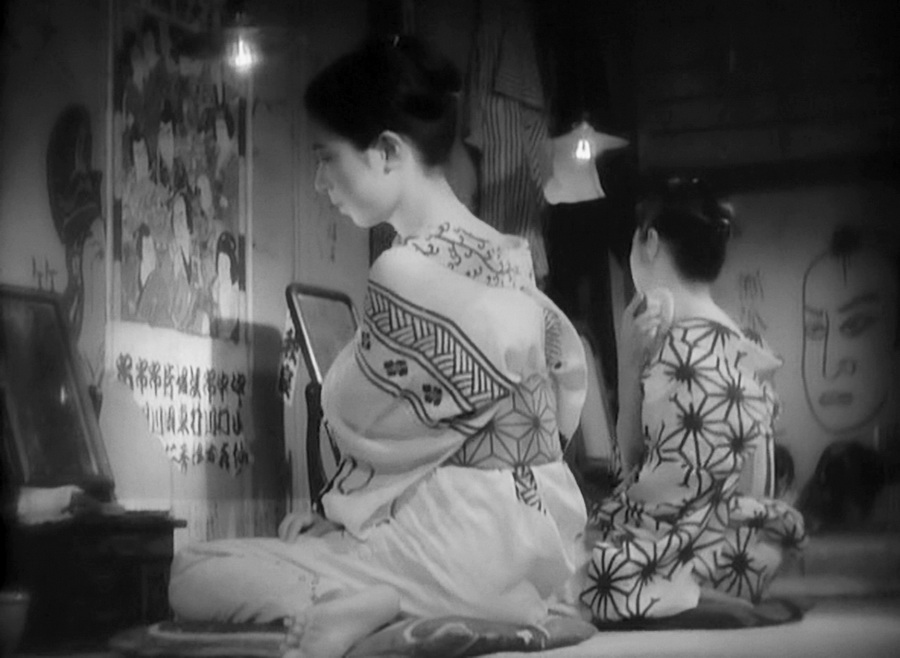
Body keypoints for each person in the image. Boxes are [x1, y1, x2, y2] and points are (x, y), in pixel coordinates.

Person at [168, 35, 589, 658]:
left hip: (451, 551)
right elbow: (455, 432)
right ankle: (400, 597)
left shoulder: (403, 272)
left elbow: (366, 431)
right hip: (530, 556)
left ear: (388, 151)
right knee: (318, 540)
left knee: (195, 571)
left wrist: (343, 515)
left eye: (328, 158)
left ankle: (370, 602)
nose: (319, 181)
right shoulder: (509, 255)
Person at [578, 177, 807, 623]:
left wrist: (628, 366)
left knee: (567, 562)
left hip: (688, 549)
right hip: (745, 551)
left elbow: (634, 482)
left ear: (649, 242)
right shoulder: (744, 340)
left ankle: (683, 594)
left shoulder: (674, 349)